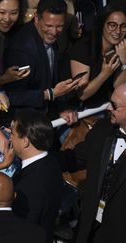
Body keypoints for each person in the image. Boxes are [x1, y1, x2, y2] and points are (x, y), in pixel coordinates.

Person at [4, 0, 80, 123]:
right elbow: (14, 96)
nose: (54, 32)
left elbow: (51, 81)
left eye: (59, 26)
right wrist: (50, 94)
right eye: (48, 26)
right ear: (37, 19)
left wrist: (62, 108)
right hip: (26, 122)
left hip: (49, 114)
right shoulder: (22, 49)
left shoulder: (51, 38)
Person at [71, 83, 126, 243]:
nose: (108, 107)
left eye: (114, 105)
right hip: (88, 224)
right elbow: (77, 158)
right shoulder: (102, 129)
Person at [9, 109, 63, 243]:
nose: (10, 138)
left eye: (12, 134)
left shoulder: (29, 184)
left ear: (25, 141)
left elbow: (21, 229)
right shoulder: (51, 162)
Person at [69, 2, 126, 108]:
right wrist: (105, 73)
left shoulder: (122, 49)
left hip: (104, 108)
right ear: (102, 24)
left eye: (123, 26)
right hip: (78, 111)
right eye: (112, 25)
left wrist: (124, 63)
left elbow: (119, 87)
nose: (118, 31)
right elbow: (82, 94)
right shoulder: (83, 47)